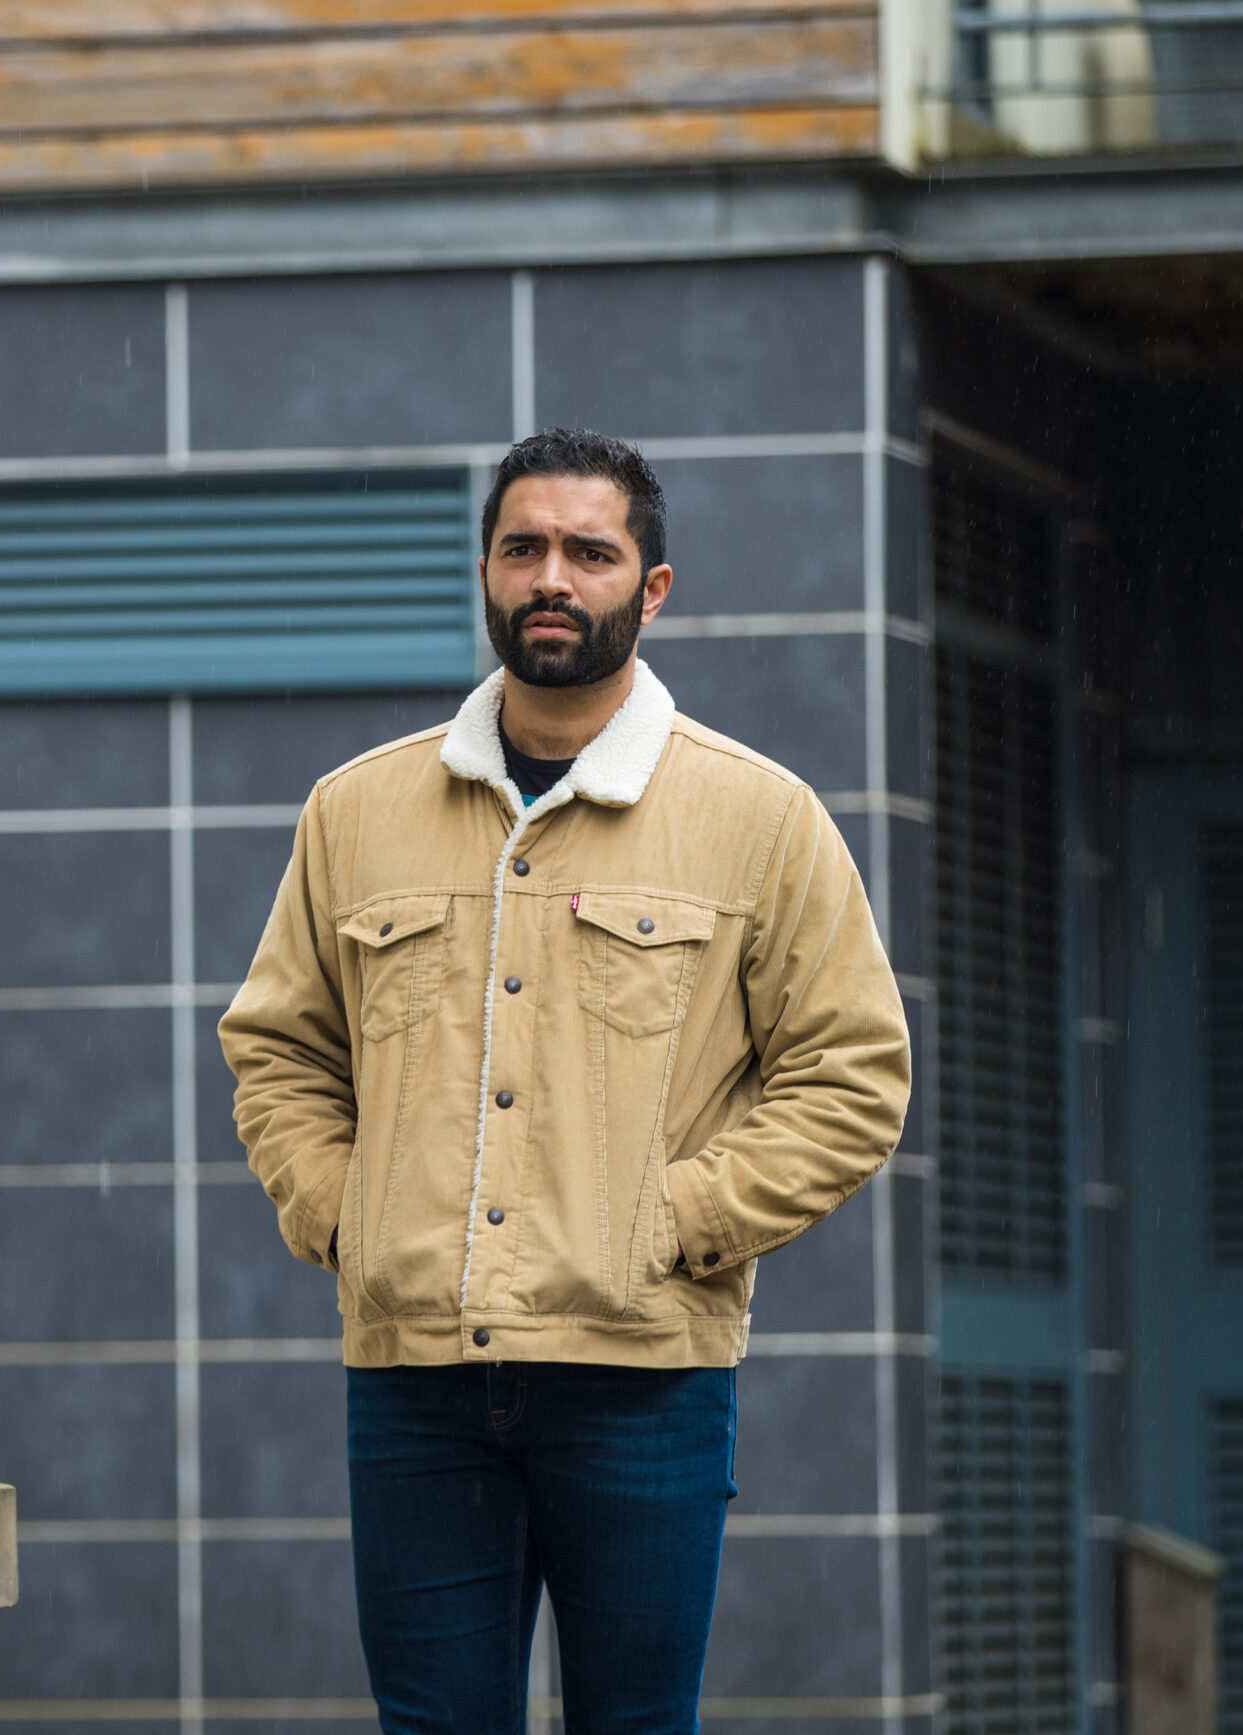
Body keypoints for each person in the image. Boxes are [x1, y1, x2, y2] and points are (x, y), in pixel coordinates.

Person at [218, 430, 909, 1735]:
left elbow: (852, 1076)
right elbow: (280, 1049)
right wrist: (346, 1213)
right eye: (524, 547)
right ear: (484, 568)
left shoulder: (759, 820)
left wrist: (677, 1224)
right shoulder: (354, 813)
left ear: (651, 589)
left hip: (645, 1382)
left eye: (591, 553)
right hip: (416, 1381)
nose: (553, 577)